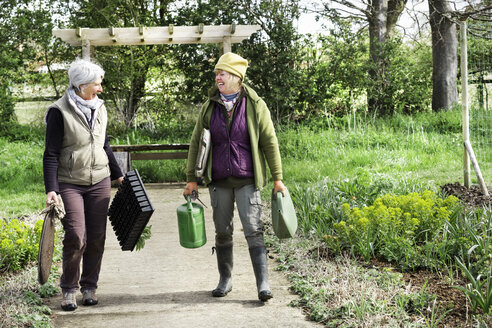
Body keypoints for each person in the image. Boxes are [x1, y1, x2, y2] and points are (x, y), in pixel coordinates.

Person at [184, 52, 286, 302]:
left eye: (223, 73)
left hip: (247, 180)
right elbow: (197, 142)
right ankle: (225, 280)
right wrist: (191, 178)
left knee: (253, 229)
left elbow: (269, 141)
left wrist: (277, 177)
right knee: (222, 231)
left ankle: (263, 284)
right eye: (217, 73)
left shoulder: (254, 104)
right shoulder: (209, 106)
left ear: (237, 78)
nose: (218, 76)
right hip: (218, 180)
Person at [43, 59, 124, 311]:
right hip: (71, 183)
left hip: (99, 180)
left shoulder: (100, 107)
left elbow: (105, 144)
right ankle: (69, 289)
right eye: (96, 84)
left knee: (97, 237)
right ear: (80, 85)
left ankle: (90, 287)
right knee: (77, 236)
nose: (100, 89)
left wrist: (118, 174)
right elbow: (51, 153)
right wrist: (52, 189)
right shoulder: (59, 111)